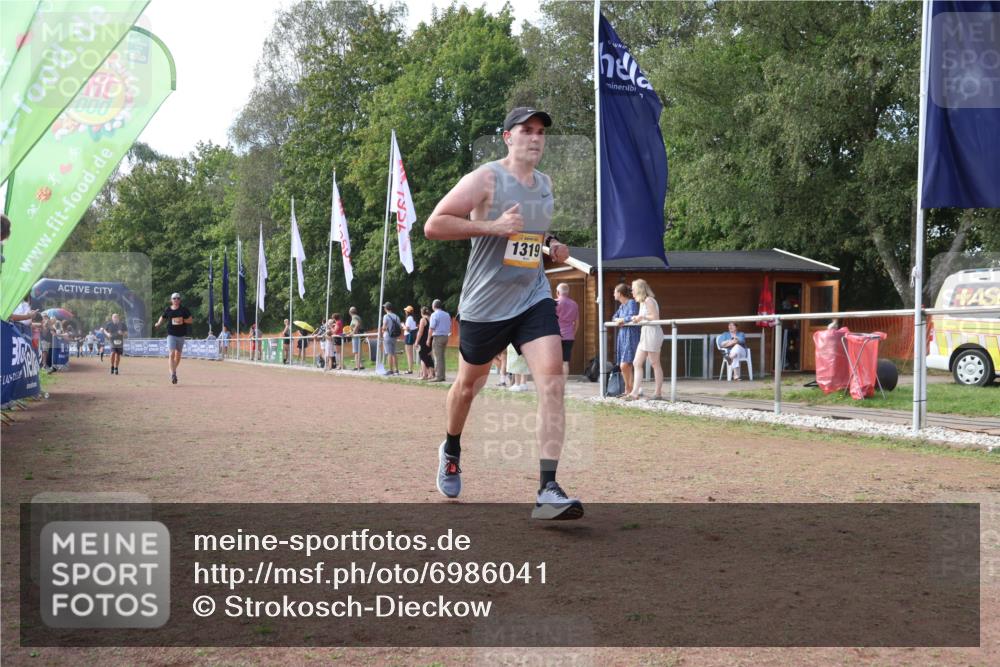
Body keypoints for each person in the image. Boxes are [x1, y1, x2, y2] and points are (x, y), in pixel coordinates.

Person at [424, 105, 583, 520]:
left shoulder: (545, 185)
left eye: (541, 132)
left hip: (531, 296)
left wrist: (551, 246)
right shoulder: (485, 178)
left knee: (551, 382)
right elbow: (434, 224)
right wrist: (491, 227)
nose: (535, 138)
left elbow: (532, 234)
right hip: (485, 305)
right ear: (507, 137)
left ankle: (547, 488)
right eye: (525, 130)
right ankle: (451, 448)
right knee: (467, 386)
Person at [624, 279, 665, 401]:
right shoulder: (642, 302)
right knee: (637, 362)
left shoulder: (649, 300)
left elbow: (655, 317)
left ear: (639, 289)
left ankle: (658, 393)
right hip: (645, 333)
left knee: (655, 363)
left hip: (652, 333)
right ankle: (634, 393)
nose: (632, 291)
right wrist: (634, 319)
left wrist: (641, 317)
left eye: (633, 289)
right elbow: (645, 318)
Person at [153, 292, 193, 384]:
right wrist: (158, 323)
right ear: (171, 300)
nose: (176, 300)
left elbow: (190, 320)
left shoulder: (184, 310)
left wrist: (183, 320)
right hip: (171, 334)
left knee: (178, 356)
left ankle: (173, 370)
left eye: (178, 298)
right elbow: (162, 317)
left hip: (181, 335)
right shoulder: (168, 309)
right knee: (171, 354)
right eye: (174, 298)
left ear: (180, 300)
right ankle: (173, 375)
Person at [612, 282, 640, 396]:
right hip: (622, 335)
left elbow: (633, 316)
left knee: (625, 364)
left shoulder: (631, 303)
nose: (613, 294)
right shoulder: (621, 306)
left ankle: (631, 388)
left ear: (619, 293)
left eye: (615, 292)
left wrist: (622, 320)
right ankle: (628, 390)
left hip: (631, 334)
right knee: (624, 365)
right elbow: (614, 317)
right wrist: (619, 320)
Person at [554, 282, 579, 377]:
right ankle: (563, 383)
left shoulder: (554, 303)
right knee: (565, 362)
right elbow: (577, 322)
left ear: (557, 292)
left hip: (555, 336)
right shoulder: (574, 304)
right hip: (569, 336)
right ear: (567, 293)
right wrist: (573, 333)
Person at [428, 299, 451, 382]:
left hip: (437, 337)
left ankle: (439, 376)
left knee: (437, 357)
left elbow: (431, 328)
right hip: (445, 336)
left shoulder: (434, 315)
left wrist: (428, 339)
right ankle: (442, 375)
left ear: (433, 306)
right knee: (441, 357)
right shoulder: (447, 314)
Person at [379, 302, 402, 375]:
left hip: (388, 336)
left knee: (389, 353)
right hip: (394, 336)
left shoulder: (386, 316)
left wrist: (382, 330)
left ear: (386, 308)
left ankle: (390, 370)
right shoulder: (397, 317)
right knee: (394, 353)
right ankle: (396, 369)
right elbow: (400, 327)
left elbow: (384, 327)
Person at [416, 305, 435, 379]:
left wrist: (416, 341)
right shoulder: (431, 319)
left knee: (423, 357)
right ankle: (431, 374)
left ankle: (424, 375)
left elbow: (420, 332)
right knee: (428, 357)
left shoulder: (423, 320)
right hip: (430, 339)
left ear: (422, 312)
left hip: (423, 341)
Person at [403, 305, 418, 374]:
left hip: (408, 336)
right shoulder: (413, 318)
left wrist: (403, 326)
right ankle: (410, 368)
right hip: (412, 336)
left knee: (409, 354)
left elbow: (408, 329)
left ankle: (410, 369)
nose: (405, 311)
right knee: (410, 353)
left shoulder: (409, 318)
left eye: (406, 310)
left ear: (408, 312)